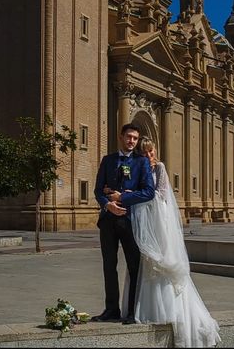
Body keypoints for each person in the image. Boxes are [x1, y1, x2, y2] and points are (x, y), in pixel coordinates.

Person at [106, 137, 221, 347]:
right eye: (145, 152)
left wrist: (130, 195)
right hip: (142, 222)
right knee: (142, 263)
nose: (149, 155)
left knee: (159, 262)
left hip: (158, 222)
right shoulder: (138, 168)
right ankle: (141, 309)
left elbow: (159, 194)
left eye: (151, 151)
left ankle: (166, 311)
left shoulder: (159, 168)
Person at [92, 123, 156, 325]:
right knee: (109, 266)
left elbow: (149, 192)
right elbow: (97, 191)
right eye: (129, 137)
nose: (131, 141)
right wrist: (107, 204)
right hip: (108, 220)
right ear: (121, 137)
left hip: (130, 221)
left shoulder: (141, 162)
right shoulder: (108, 160)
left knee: (134, 266)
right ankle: (111, 309)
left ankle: (132, 312)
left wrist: (124, 198)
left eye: (135, 138)